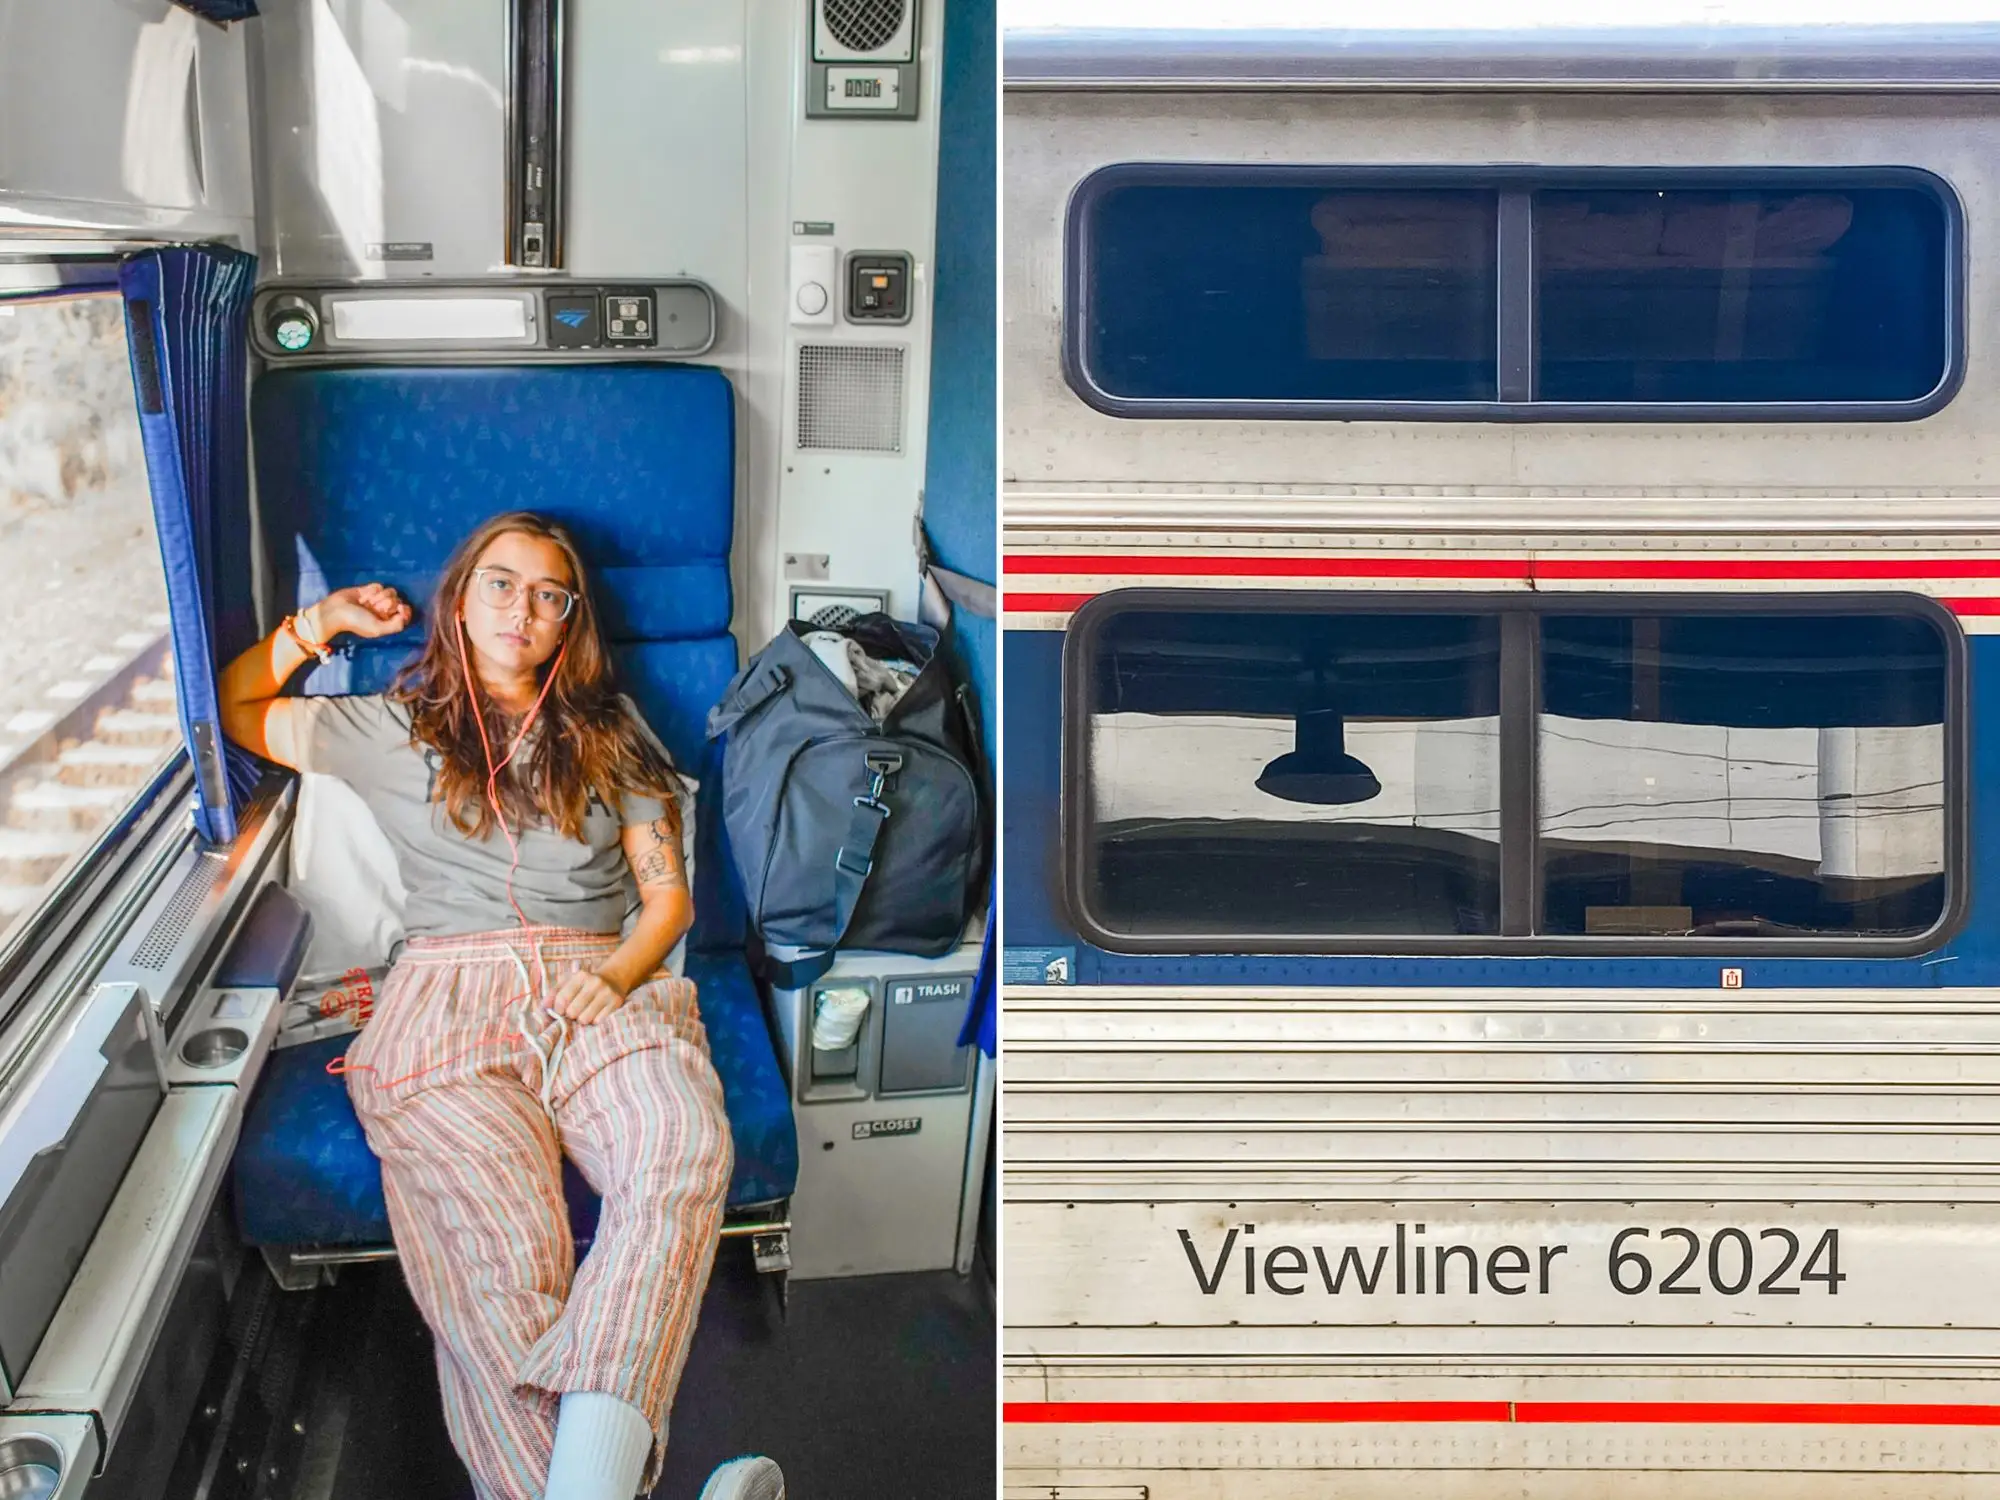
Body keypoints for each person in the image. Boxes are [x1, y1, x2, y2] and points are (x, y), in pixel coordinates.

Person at [218, 511, 783, 1500]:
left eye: (548, 593)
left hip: (602, 981)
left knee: (679, 1149)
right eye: (500, 583)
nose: (523, 607)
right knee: (501, 1253)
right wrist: (321, 626)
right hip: (445, 992)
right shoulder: (384, 727)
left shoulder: (616, 736)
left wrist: (612, 978)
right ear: (461, 598)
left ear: (570, 620)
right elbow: (234, 705)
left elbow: (667, 901)